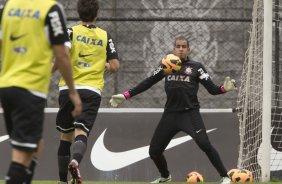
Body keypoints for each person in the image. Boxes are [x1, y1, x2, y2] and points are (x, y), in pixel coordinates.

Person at [110, 36, 236, 184]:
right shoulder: (166, 64)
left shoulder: (196, 67)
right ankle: (165, 176)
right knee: (154, 151)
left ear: (189, 49)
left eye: (184, 46)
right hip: (170, 114)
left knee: (204, 144)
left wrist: (224, 89)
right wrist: (125, 95)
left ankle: (225, 177)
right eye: (178, 46)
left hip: (190, 113)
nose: (181, 49)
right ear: (174, 49)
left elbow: (212, 89)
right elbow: (148, 82)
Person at [0, 0, 82, 183]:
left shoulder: (8, 8)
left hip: (6, 88)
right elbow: (61, 55)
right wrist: (73, 92)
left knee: (36, 146)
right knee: (21, 156)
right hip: (30, 89)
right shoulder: (51, 9)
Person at [52, 0, 120, 183]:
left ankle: (62, 181)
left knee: (65, 135)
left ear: (78, 12)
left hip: (68, 89)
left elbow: (61, 56)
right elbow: (115, 65)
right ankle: (75, 160)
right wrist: (103, 64)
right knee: (81, 132)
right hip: (91, 91)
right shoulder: (105, 36)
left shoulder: (70, 32)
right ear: (96, 12)